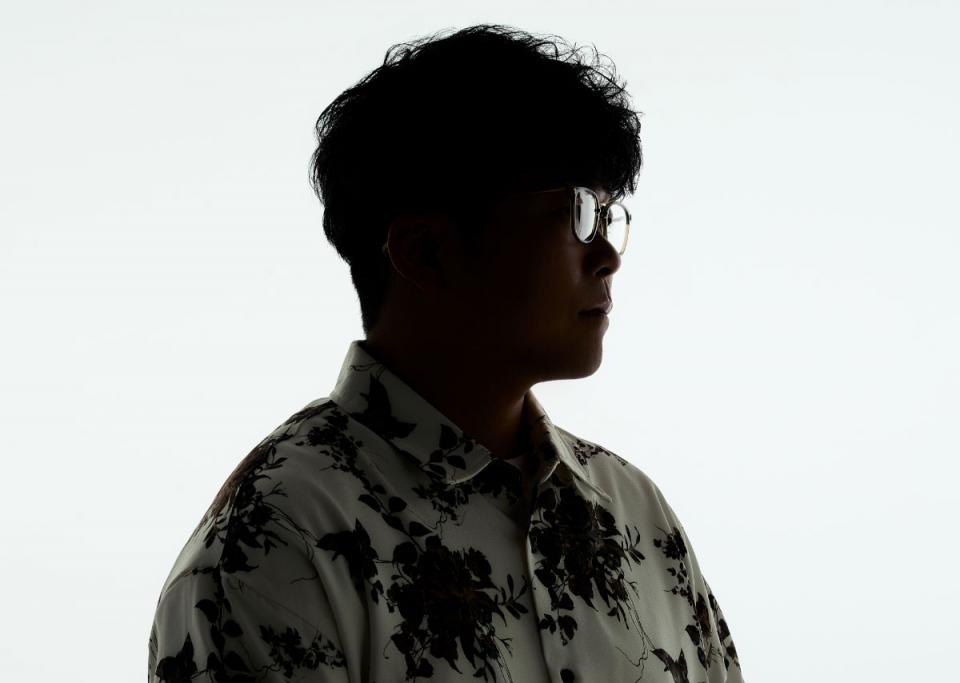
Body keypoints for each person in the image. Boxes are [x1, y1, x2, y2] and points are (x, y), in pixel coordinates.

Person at [148, 23, 744, 683]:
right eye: (578, 212)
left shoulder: (635, 515)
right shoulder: (275, 541)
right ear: (426, 252)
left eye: (608, 215)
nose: (607, 255)